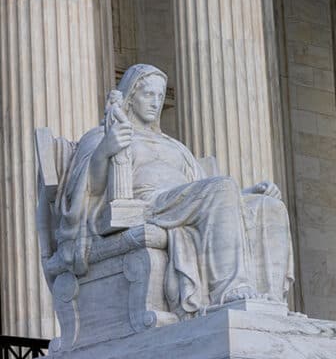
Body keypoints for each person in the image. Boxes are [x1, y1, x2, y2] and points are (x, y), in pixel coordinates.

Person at [54, 64, 293, 319]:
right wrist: (105, 150)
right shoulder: (103, 134)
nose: (156, 102)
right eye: (148, 94)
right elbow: (84, 190)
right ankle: (229, 291)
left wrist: (246, 194)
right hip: (149, 205)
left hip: (184, 203)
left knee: (269, 207)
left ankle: (270, 300)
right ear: (131, 97)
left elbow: (210, 194)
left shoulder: (175, 146)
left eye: (160, 95)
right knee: (222, 188)